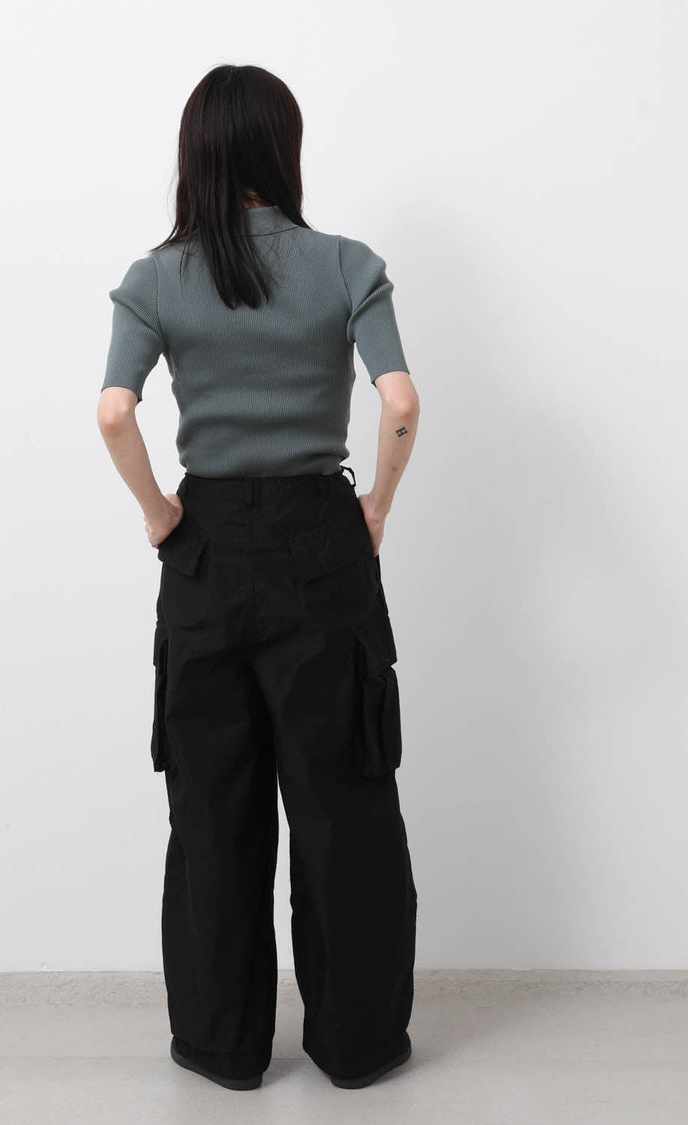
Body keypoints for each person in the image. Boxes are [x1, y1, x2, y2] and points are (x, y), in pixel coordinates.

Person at [96, 63, 420, 1092]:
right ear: (284, 150)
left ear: (195, 154)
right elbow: (400, 401)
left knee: (211, 807)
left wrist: (159, 515)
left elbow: (113, 411)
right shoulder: (345, 265)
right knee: (344, 802)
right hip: (322, 539)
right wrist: (377, 504)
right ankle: (356, 1046)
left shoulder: (156, 279)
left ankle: (223, 1046)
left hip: (203, 553)